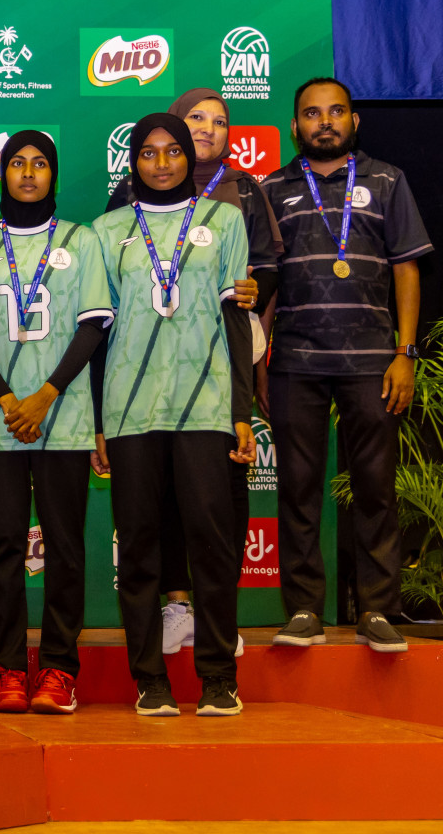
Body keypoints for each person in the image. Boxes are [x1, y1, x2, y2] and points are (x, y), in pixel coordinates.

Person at [92, 113, 254, 718]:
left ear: (190, 157)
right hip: (130, 413)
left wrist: (242, 409)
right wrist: (98, 423)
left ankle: (218, 677)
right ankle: (150, 680)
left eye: (173, 152)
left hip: (207, 407)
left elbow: (237, 319)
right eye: (149, 153)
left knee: (212, 547)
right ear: (133, 163)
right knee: (137, 550)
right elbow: (95, 335)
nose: (161, 163)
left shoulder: (225, 221)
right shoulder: (107, 232)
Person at [108, 89, 280, 657]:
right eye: (195, 119)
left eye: (217, 121)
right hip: (140, 392)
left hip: (217, 381)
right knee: (153, 520)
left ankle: (215, 624)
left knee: (219, 513)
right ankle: (177, 609)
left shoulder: (242, 197)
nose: (165, 160)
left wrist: (250, 291)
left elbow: (262, 279)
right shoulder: (119, 211)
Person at [261, 78, 430, 653]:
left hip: (373, 363)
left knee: (376, 490)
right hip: (295, 361)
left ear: (355, 122)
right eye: (312, 113)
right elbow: (264, 288)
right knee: (298, 490)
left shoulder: (386, 180)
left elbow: (407, 269)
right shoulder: (272, 188)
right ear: (295, 126)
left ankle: (378, 610)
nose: (324, 122)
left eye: (336, 112)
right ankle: (304, 609)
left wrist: (405, 354)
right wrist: (259, 364)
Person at [0, 132, 112, 714]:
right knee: (3, 548)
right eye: (16, 163)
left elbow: (92, 327)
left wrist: (45, 395)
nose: (27, 173)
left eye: (39, 164)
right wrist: (5, 398)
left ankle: (59, 670)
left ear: (54, 174)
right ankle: (8, 670)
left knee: (65, 549)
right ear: (2, 173)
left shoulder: (82, 239)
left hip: (63, 416)